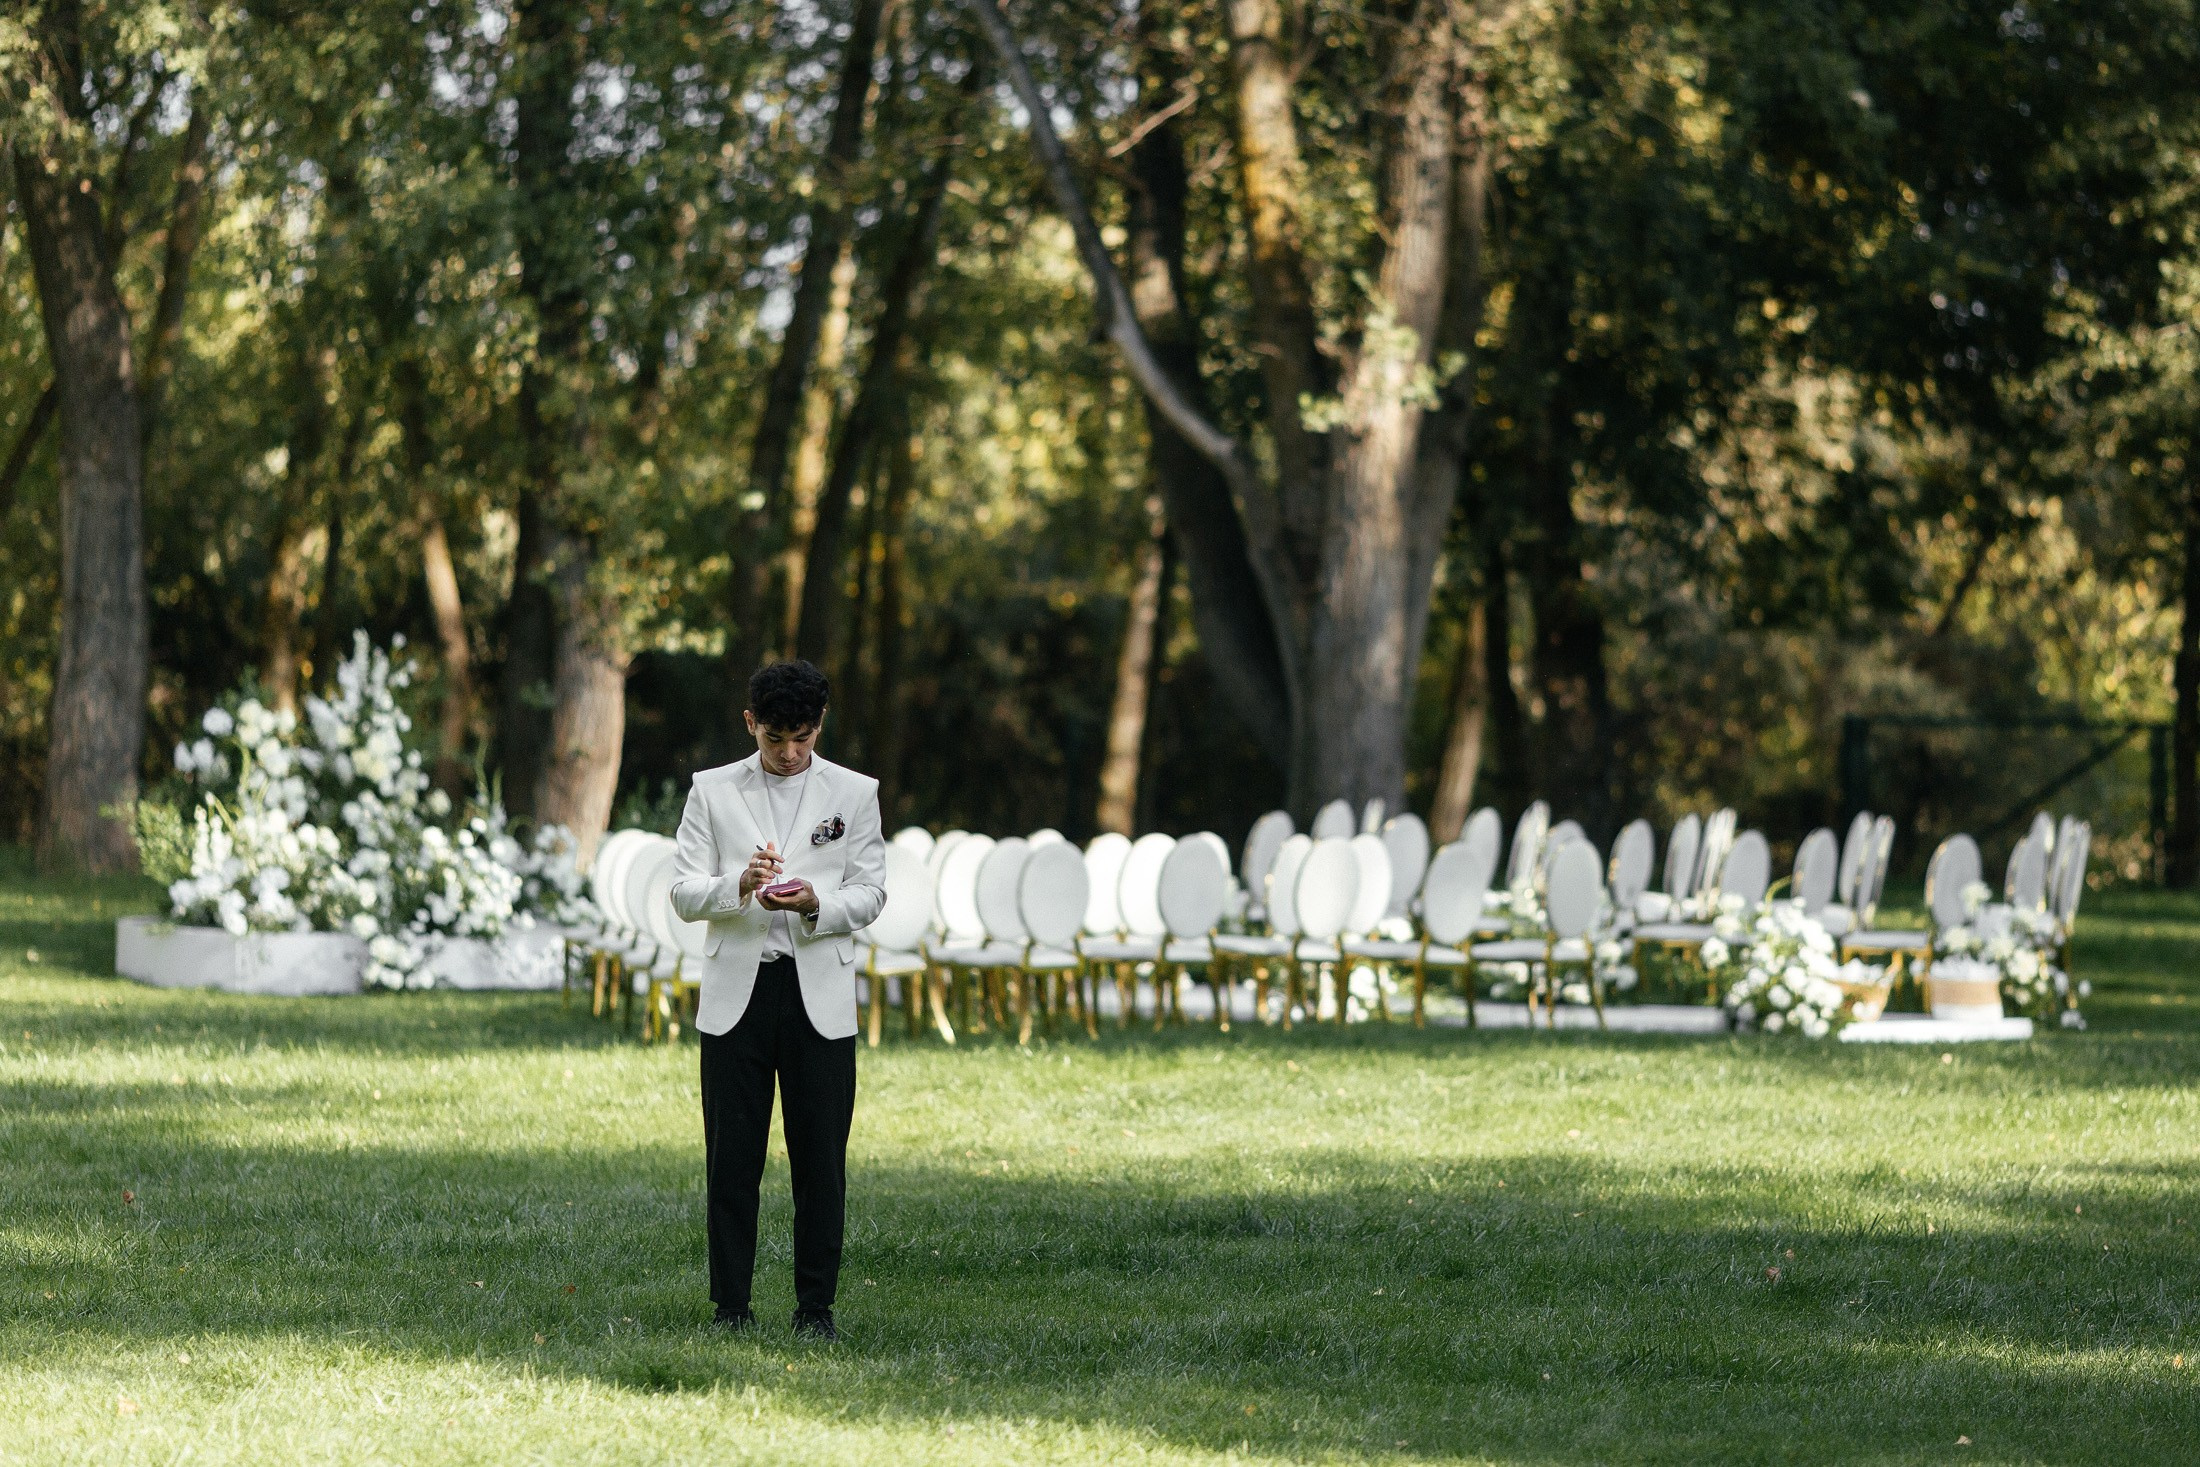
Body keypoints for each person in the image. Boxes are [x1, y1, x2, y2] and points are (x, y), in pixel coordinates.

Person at [669, 659, 886, 1339]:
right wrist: (737, 882)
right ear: (749, 724)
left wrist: (821, 900)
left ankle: (814, 1308)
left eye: (802, 737)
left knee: (821, 1158)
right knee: (731, 1157)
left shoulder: (854, 792)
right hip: (739, 991)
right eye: (774, 739)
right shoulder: (710, 791)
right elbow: (681, 890)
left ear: (820, 725)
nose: (789, 754)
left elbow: (873, 891)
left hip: (819, 991)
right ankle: (730, 1305)